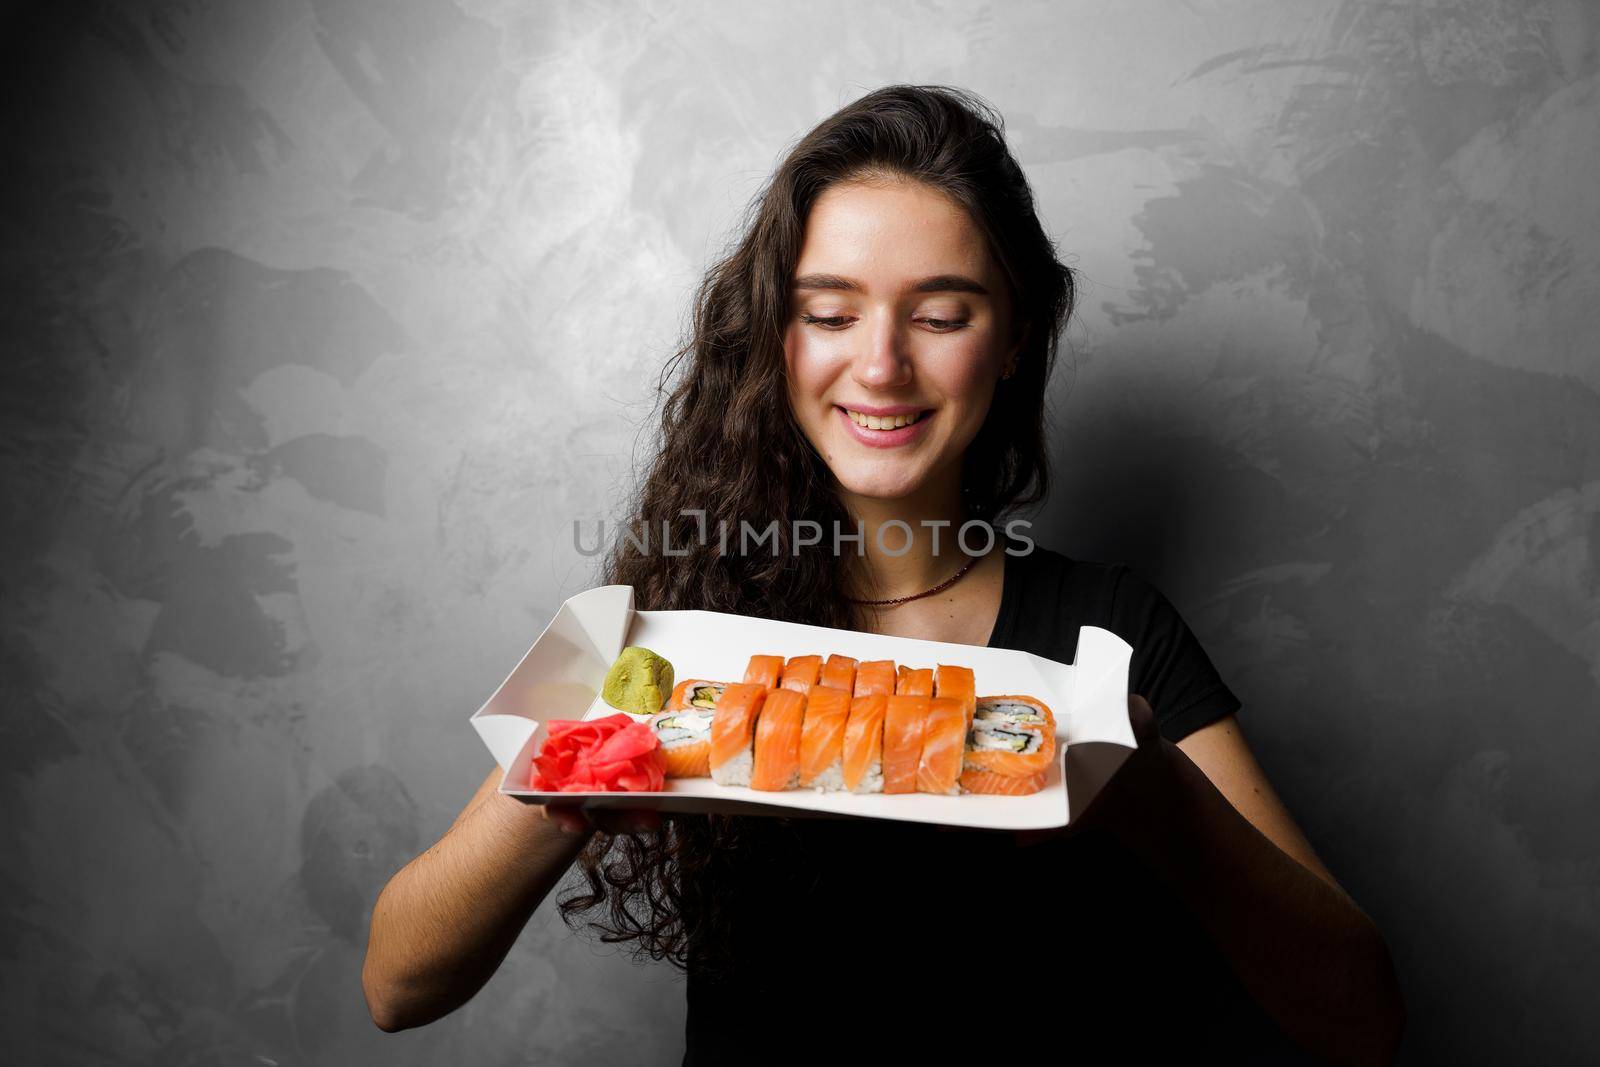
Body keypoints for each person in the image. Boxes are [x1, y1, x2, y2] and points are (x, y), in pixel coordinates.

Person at [361, 85, 1404, 1064]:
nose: (879, 365)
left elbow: (1363, 1021)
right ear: (776, 337)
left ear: (1013, 339)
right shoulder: (679, 634)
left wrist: (1162, 803)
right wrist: (571, 770)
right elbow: (397, 985)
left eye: (940, 314)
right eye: (829, 312)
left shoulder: (1110, 631)